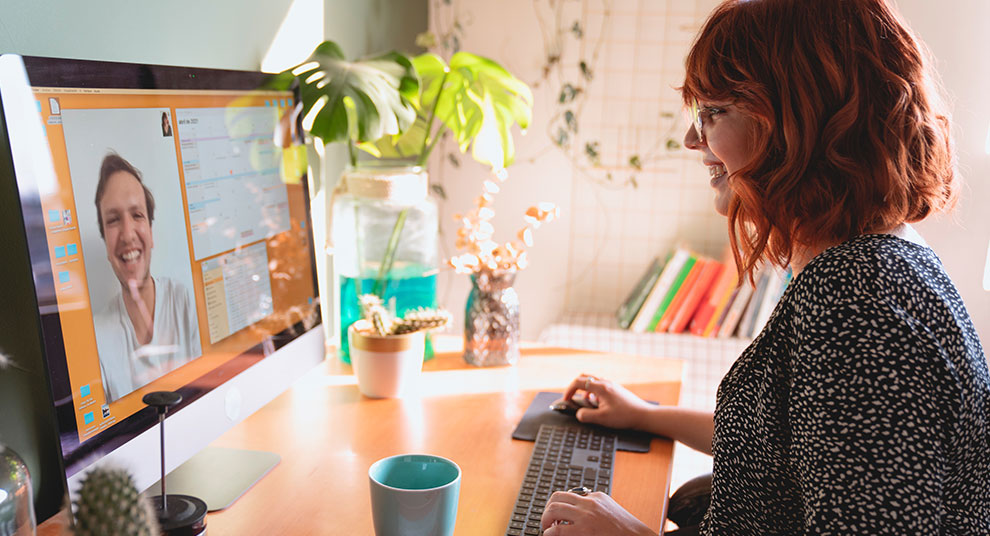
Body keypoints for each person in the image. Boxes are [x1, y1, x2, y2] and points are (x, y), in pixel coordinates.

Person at [541, 0, 989, 534]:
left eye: (713, 113)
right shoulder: (877, 261)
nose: (692, 140)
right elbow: (791, 446)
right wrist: (644, 415)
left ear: (799, 123)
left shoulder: (858, 304)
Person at [93, 152, 200, 403]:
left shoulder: (185, 300)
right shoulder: (96, 337)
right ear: (106, 244)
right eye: (113, 220)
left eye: (137, 215)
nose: (128, 234)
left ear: (151, 234)